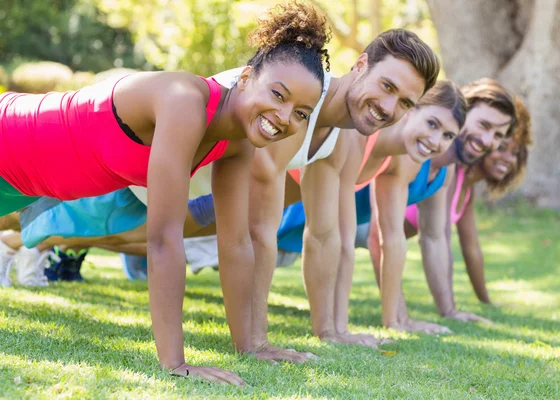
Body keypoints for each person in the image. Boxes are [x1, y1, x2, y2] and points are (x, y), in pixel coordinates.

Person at [7, 28, 441, 357]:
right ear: (361, 65)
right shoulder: (209, 101)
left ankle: (22, 242)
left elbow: (269, 240)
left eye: (405, 103)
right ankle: (24, 245)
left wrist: (284, 339)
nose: (389, 107)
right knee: (71, 226)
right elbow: (206, 237)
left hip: (58, 179)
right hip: (47, 153)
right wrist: (189, 358)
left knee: (46, 217)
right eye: (388, 87)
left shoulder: (272, 136)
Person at [0, 1, 330, 385]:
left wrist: (252, 345)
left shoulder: (238, 144)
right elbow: (164, 238)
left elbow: (236, 242)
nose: (285, 116)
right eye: (278, 94)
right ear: (244, 78)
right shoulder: (184, 100)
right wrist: (176, 363)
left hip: (22, 186)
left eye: (301, 113)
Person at [279, 81, 465, 343]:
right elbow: (340, 239)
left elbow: (391, 239)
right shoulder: (359, 135)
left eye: (448, 136)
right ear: (411, 109)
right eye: (432, 124)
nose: (436, 141)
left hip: (287, 224)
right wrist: (338, 332)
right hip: (273, 210)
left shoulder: (403, 160)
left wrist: (397, 322)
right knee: (205, 231)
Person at [367, 78, 518, 330]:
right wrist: (398, 319)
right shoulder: (408, 152)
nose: (487, 140)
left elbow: (434, 238)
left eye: (498, 135)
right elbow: (378, 237)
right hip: (299, 222)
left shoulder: (443, 170)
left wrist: (449, 311)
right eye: (483, 125)